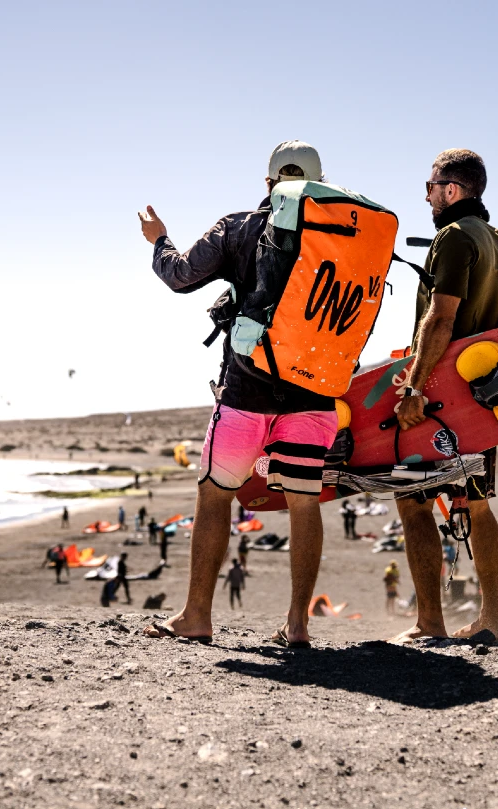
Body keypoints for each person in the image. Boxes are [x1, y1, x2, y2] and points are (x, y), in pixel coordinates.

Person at [140, 141, 338, 647]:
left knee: (214, 495)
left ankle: (197, 617)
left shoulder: (240, 226)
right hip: (314, 394)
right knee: (303, 503)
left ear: (269, 181)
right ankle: (297, 624)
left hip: (247, 392)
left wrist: (159, 240)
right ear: (319, 181)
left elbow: (180, 275)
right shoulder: (342, 233)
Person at [391, 150, 498, 644]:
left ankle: (431, 622)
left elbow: (441, 318)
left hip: (439, 398)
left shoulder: (452, 237)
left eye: (430, 187)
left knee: (413, 501)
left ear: (451, 190)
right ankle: (493, 618)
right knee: (479, 503)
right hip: (483, 397)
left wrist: (414, 388)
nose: (427, 196)